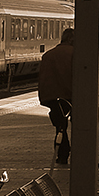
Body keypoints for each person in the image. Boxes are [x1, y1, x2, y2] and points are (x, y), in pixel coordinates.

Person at [37, 28, 74, 165]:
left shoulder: (48, 55)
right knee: (79, 127)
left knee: (60, 128)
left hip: (52, 97)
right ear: (70, 39)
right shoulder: (75, 53)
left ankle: (62, 155)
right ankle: (78, 154)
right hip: (71, 96)